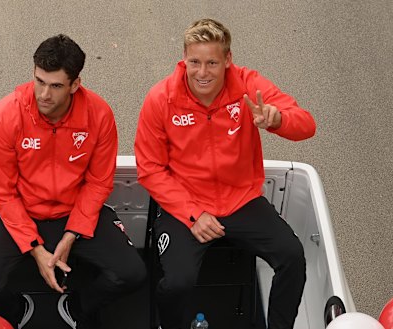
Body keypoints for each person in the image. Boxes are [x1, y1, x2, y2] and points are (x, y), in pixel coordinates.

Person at [134, 18, 316, 329]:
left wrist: (277, 120)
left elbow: (307, 124)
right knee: (177, 283)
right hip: (185, 206)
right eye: (194, 62)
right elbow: (150, 169)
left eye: (212, 63)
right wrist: (193, 214)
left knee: (292, 256)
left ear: (227, 60)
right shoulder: (160, 98)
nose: (202, 73)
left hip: (241, 200)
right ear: (184, 58)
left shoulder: (248, 85)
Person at [0, 34, 146, 329]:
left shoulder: (99, 115)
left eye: (55, 86)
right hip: (20, 212)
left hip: (75, 211)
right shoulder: (3, 117)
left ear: (75, 84)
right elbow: (4, 193)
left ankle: (77, 307)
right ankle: (16, 309)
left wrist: (72, 233)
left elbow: (98, 183)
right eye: (39, 81)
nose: (43, 94)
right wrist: (36, 249)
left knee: (133, 273)